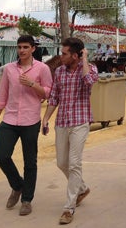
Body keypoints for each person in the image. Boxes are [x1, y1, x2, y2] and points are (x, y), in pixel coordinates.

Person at [0, 35, 53, 216]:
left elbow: (49, 93)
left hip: (30, 119)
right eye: (19, 47)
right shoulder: (10, 69)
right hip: (9, 119)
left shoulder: (42, 69)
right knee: (2, 156)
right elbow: (2, 94)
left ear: (33, 49)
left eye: (26, 47)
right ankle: (17, 185)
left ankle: (27, 200)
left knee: (30, 161)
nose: (22, 50)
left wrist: (33, 84)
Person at [42, 38, 99, 225]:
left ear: (75, 55)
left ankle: (69, 207)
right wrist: (46, 118)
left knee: (74, 163)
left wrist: (84, 59)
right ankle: (82, 188)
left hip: (80, 122)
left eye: (65, 53)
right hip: (62, 122)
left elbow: (88, 82)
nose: (61, 56)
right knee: (61, 162)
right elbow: (54, 97)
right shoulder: (59, 72)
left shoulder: (90, 69)